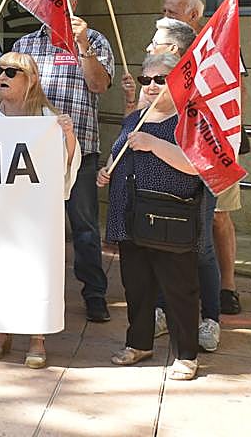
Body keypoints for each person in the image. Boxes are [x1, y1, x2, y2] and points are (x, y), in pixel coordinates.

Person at [0, 53, 80, 369]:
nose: (3, 76)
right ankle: (1, 331)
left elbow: (65, 169)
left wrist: (67, 137)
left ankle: (37, 337)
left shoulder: (47, 120)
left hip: (33, 216)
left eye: (13, 71)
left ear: (31, 79)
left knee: (36, 273)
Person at [97, 53, 205, 381]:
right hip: (130, 217)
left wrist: (153, 144)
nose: (152, 86)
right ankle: (139, 343)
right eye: (147, 80)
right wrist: (107, 172)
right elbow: (121, 157)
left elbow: (195, 166)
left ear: (176, 83)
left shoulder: (189, 120)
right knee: (137, 286)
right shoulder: (135, 119)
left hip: (169, 216)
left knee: (179, 289)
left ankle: (186, 354)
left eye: (161, 80)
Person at [12, 0, 115, 324]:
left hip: (79, 150)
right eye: (46, 0)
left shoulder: (96, 41)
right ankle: (26, 289)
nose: (51, 6)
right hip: (31, 154)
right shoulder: (24, 45)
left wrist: (82, 45)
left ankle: (94, 294)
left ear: (73, 3)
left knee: (84, 226)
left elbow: (99, 85)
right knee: (27, 225)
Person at [162, 0, 244, 316]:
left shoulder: (218, 43)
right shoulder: (163, 47)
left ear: (192, 16)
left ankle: (227, 287)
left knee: (218, 217)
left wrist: (229, 144)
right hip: (173, 146)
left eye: (171, 11)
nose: (165, 15)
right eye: (163, 10)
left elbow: (236, 92)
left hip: (214, 145)